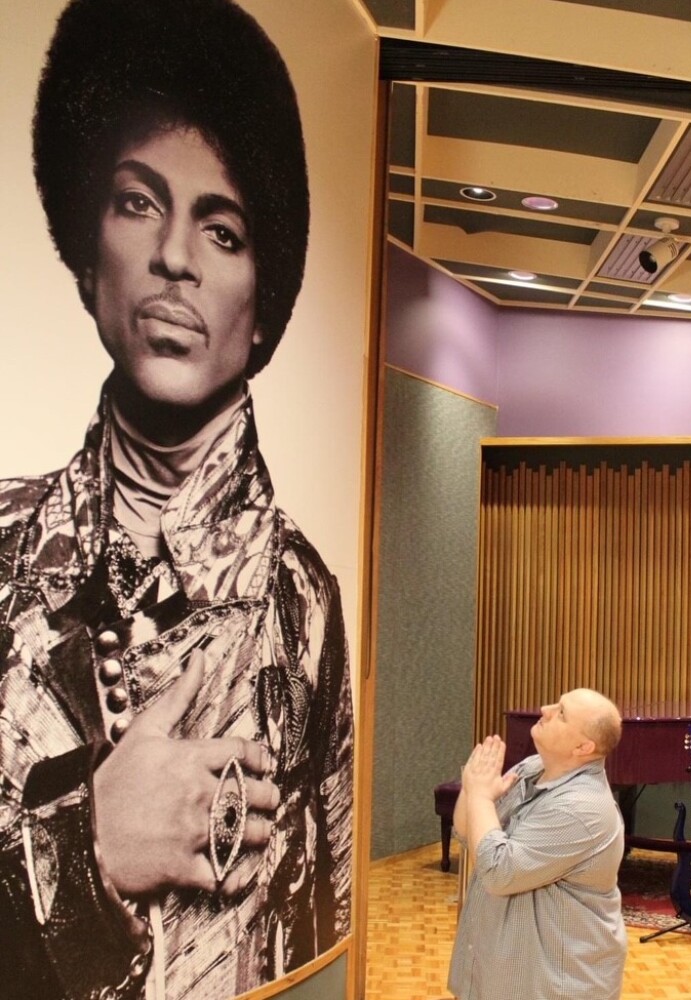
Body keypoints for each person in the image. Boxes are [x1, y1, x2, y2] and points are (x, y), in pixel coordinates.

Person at [0, 1, 353, 998]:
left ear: (263, 301)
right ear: (86, 250)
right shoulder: (2, 549)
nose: (174, 260)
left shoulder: (303, 602)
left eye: (223, 228)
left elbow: (322, 910)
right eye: (135, 202)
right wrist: (83, 844)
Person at [448, 689, 627, 1000]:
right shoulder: (531, 767)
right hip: (498, 970)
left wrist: (479, 795)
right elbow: (468, 833)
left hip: (555, 982)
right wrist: (474, 784)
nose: (545, 708)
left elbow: (498, 872)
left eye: (561, 713)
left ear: (583, 746)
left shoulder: (582, 808)